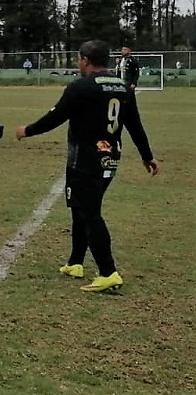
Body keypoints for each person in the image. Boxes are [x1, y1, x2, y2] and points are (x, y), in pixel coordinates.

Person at [16, 40, 158, 293]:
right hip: (111, 157)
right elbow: (134, 124)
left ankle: (108, 272)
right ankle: (75, 262)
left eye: (79, 59)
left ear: (85, 60)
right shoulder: (123, 87)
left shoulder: (81, 87)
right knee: (81, 209)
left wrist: (28, 130)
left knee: (90, 212)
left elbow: (56, 116)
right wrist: (147, 156)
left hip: (84, 159)